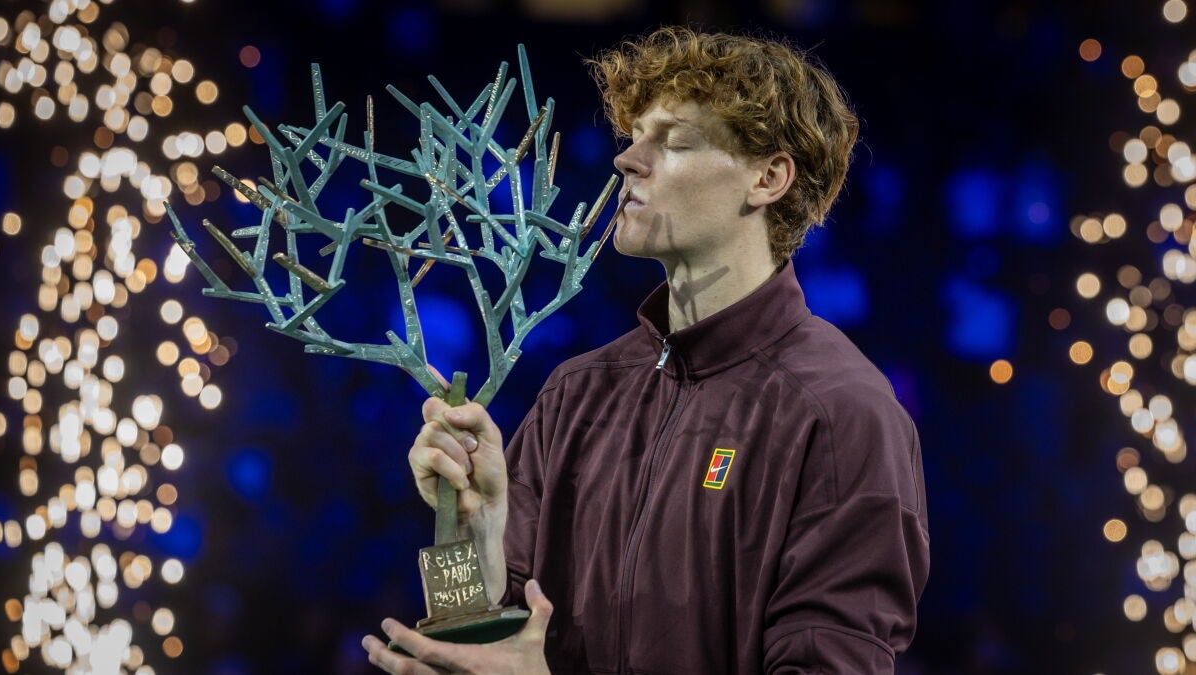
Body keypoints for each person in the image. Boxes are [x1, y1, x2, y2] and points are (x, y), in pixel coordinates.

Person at [362, 26, 929, 674]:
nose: (626, 161)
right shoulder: (576, 393)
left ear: (768, 177)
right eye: (633, 137)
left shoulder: (841, 412)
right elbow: (475, 638)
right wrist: (469, 532)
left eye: (675, 142)